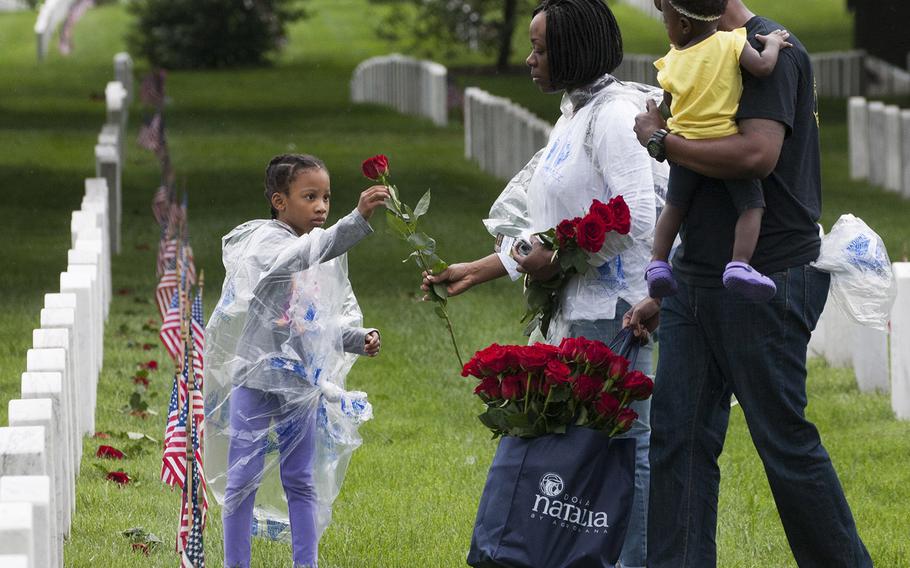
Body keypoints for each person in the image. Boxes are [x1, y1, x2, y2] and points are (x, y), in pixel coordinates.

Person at [627, 1, 874, 566]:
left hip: (768, 274)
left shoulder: (770, 49)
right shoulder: (694, 51)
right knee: (677, 441)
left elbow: (756, 155)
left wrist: (660, 141)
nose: (661, 10)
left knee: (782, 442)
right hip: (696, 277)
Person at [424, 2, 666, 566]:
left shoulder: (613, 116)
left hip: (616, 311)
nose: (530, 59)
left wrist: (556, 257)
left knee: (623, 451)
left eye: (541, 48)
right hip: (578, 310)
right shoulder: (573, 114)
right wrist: (481, 269)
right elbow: (550, 228)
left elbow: (636, 212)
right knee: (580, 454)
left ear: (575, 50)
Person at [204, 154, 389, 568]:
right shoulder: (267, 245)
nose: (322, 206)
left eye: (326, 196)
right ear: (279, 201)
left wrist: (358, 338)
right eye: (310, 196)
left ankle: (306, 563)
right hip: (255, 379)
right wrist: (355, 219)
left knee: (301, 481)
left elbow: (317, 323)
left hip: (301, 384)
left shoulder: (318, 254)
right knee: (241, 480)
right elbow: (297, 259)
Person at [645, 0, 791, 302]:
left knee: (674, 206)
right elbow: (764, 67)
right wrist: (774, 43)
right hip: (723, 144)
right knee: (751, 207)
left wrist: (657, 125)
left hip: (685, 148)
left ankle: (658, 263)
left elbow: (668, 108)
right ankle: (739, 264)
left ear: (684, 25)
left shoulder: (671, 61)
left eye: (666, 22)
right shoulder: (732, 42)